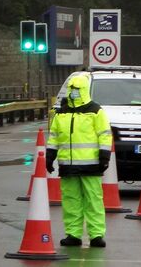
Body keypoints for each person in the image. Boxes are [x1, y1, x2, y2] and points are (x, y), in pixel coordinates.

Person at [46, 74, 112, 248]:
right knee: (70, 200)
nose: (74, 93)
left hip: (91, 165)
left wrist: (104, 157)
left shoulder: (96, 111)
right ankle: (73, 234)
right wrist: (50, 155)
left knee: (93, 200)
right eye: (72, 90)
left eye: (77, 90)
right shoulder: (61, 113)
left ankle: (96, 235)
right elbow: (54, 136)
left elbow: (105, 135)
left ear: (84, 90)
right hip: (68, 165)